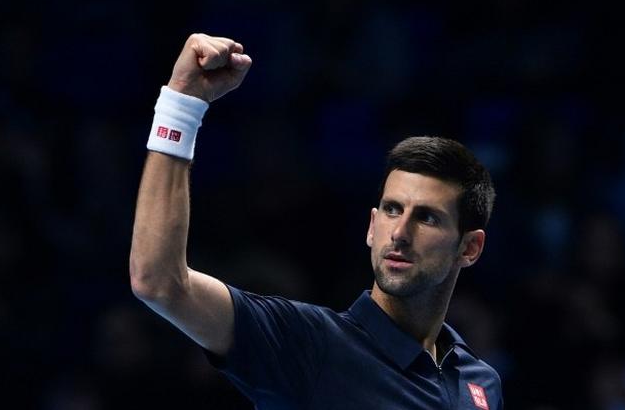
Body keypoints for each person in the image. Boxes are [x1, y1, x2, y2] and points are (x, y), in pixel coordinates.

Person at [130, 33, 504, 409]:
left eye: (426, 218)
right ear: (372, 227)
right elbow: (159, 282)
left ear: (469, 247)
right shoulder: (309, 345)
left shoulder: (479, 383)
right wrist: (181, 104)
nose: (401, 233)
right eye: (392, 209)